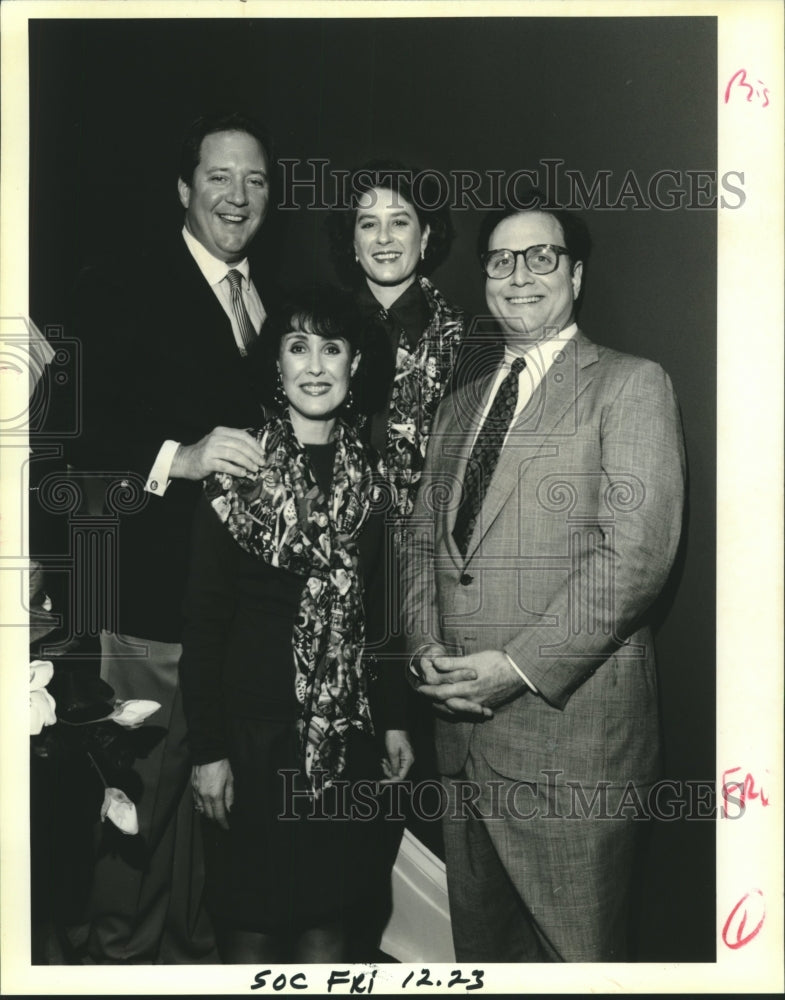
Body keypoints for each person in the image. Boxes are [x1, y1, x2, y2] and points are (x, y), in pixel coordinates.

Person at [401, 195, 686, 962]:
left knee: (573, 963)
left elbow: (634, 558)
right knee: (485, 961)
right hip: (462, 744)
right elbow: (425, 541)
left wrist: (515, 668)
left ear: (576, 274)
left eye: (540, 257)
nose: (518, 275)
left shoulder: (628, 386)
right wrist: (426, 643)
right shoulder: (458, 407)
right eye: (500, 260)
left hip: (572, 752)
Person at [67, 111, 277, 963]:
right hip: (145, 601)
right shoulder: (116, 283)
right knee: (137, 808)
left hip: (230, 613)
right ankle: (112, 963)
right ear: (185, 189)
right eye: (219, 177)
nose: (237, 195)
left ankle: (187, 965)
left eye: (256, 180)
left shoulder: (272, 297)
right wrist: (176, 458)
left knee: (206, 811)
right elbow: (66, 443)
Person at [179, 288, 414, 963]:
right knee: (249, 927)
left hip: (347, 746)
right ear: (275, 363)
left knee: (331, 929)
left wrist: (395, 719)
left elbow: (380, 617)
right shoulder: (233, 475)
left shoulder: (372, 484)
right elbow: (203, 624)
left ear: (355, 363)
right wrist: (208, 752)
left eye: (332, 348)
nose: (316, 366)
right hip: (252, 745)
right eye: (298, 346)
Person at [326, 160, 466, 524]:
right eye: (368, 224)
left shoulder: (468, 340)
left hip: (429, 553)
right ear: (354, 244)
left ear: (425, 237)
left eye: (400, 222)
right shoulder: (319, 331)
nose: (383, 237)